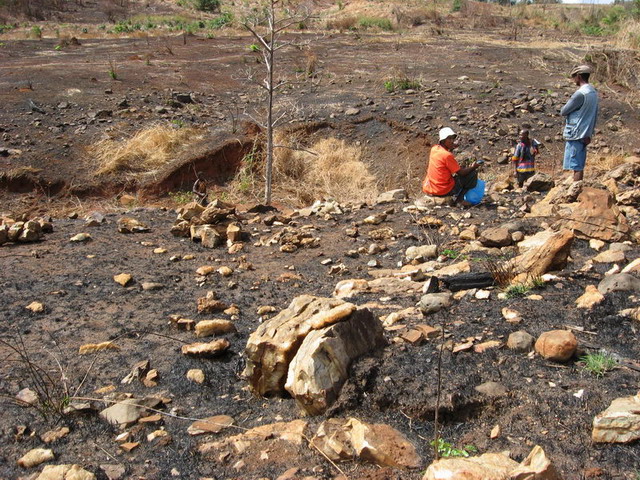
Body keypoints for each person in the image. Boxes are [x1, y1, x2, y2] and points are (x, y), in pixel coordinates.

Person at [422, 127, 483, 205]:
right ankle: (459, 200)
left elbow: (443, 157)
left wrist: (451, 147)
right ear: (443, 140)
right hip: (442, 190)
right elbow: (461, 173)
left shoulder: (434, 149)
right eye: (449, 139)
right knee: (472, 173)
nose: (452, 141)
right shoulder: (447, 155)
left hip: (431, 187)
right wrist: (474, 167)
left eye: (452, 139)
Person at [561, 64, 599, 182]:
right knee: (579, 164)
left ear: (578, 76)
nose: (574, 80)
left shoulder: (580, 93)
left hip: (576, 132)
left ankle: (575, 190)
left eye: (574, 77)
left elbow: (564, 111)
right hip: (585, 132)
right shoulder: (593, 92)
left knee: (576, 165)